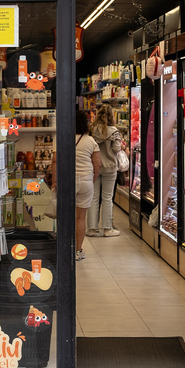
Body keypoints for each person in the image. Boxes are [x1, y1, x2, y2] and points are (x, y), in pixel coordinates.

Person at [87, 105, 124, 238]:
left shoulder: (92, 129)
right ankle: (107, 229)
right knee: (107, 198)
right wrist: (122, 145)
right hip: (110, 167)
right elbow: (116, 149)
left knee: (94, 198)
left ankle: (92, 229)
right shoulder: (114, 131)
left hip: (95, 167)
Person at [72, 108, 101, 261]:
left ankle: (66, 248)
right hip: (85, 180)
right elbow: (97, 164)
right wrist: (92, 179)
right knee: (81, 217)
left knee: (67, 216)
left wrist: (55, 181)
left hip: (68, 181)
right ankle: (78, 250)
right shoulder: (91, 141)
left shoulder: (63, 138)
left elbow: (56, 161)